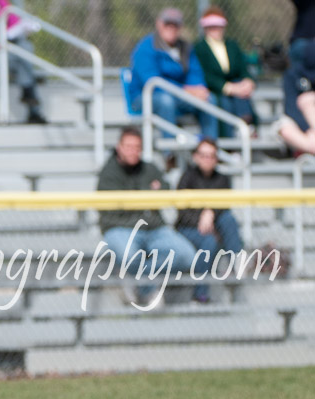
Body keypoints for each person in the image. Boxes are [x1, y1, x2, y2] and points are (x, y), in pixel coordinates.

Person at [97, 127, 198, 306]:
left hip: (154, 228)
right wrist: (148, 194)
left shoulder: (149, 167)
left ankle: (140, 285)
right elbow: (112, 215)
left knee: (186, 255)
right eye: (128, 146)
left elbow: (166, 190)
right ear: (118, 147)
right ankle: (148, 288)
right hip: (120, 229)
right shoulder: (108, 174)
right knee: (129, 257)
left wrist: (140, 201)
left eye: (137, 147)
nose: (133, 151)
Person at [128, 7, 219, 142]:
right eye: (167, 24)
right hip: (145, 96)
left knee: (208, 99)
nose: (171, 28)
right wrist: (186, 90)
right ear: (159, 24)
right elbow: (153, 82)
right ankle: (170, 154)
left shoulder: (186, 48)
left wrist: (198, 89)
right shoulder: (146, 47)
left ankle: (209, 148)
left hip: (179, 95)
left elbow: (195, 74)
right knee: (166, 101)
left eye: (175, 25)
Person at [176, 139, 243, 303]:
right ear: (196, 157)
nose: (207, 159)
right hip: (188, 228)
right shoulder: (187, 177)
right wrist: (203, 217)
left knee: (228, 220)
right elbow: (182, 213)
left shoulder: (222, 178)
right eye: (203, 155)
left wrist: (210, 212)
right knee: (209, 242)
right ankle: (200, 294)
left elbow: (224, 206)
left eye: (211, 156)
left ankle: (237, 263)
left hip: (214, 225)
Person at [0, 0, 47, 124]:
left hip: (6, 49)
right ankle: (30, 98)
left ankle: (30, 99)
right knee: (24, 58)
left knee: (25, 48)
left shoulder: (1, 3)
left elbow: (14, 21)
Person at [193, 6, 256, 137]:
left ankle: (247, 127)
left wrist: (248, 81)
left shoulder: (232, 45)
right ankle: (230, 143)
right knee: (225, 104)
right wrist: (227, 88)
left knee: (242, 95)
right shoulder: (200, 48)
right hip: (216, 90)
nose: (215, 30)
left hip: (236, 88)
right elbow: (205, 75)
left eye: (218, 26)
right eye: (212, 26)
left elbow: (242, 68)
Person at [273, 31, 315, 154]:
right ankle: (309, 148)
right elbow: (291, 108)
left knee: (307, 100)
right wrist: (308, 130)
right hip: (302, 125)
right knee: (285, 129)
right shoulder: (292, 75)